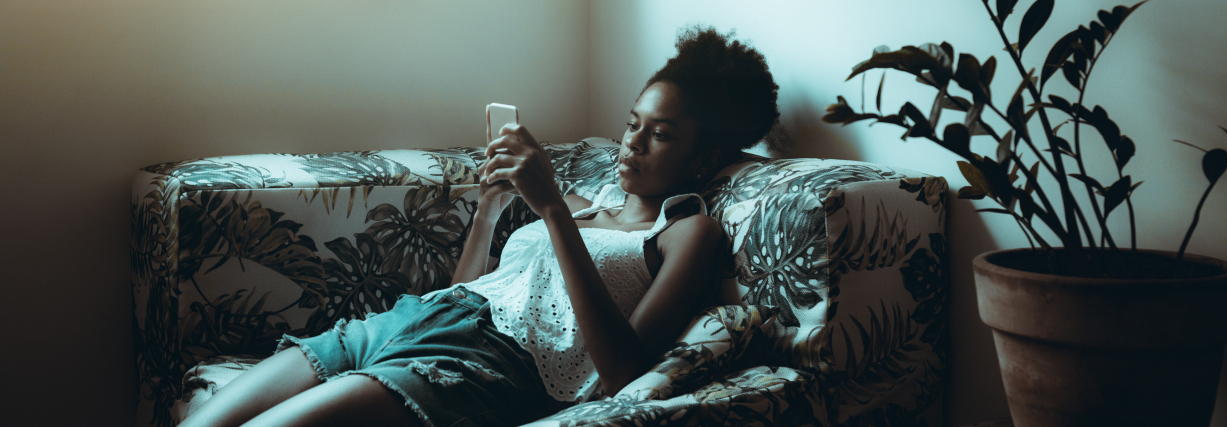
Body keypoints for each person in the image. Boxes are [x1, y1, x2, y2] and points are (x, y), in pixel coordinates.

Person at [179, 26, 779, 427]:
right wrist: (491, 209)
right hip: (414, 320)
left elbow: (623, 368)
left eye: (660, 134)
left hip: (485, 364)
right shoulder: (585, 199)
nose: (631, 145)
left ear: (702, 160)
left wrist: (549, 212)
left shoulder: (687, 233)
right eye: (631, 124)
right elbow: (464, 289)